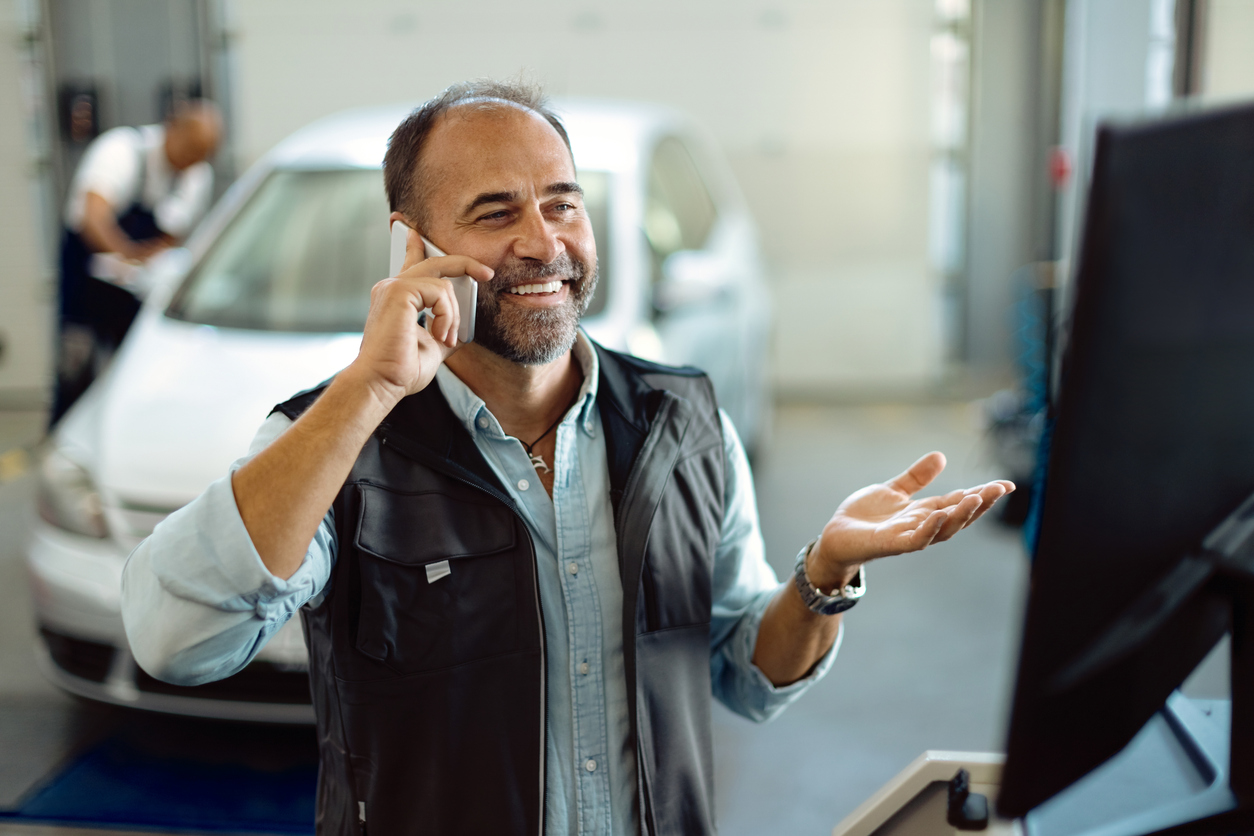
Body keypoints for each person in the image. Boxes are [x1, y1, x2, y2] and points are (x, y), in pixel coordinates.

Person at [120, 81, 1012, 836]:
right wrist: (367, 388)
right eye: (496, 211)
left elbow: (745, 672)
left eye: (562, 202)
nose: (545, 243)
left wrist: (822, 575)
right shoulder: (342, 439)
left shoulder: (682, 418)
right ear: (411, 246)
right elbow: (176, 639)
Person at [53, 99, 222, 423]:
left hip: (135, 288)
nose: (192, 161)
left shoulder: (196, 174)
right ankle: (64, 439)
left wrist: (149, 260)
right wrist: (125, 255)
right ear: (173, 129)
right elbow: (93, 217)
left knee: (130, 366)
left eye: (202, 155)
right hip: (86, 278)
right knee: (77, 365)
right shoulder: (120, 151)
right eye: (191, 149)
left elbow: (173, 232)